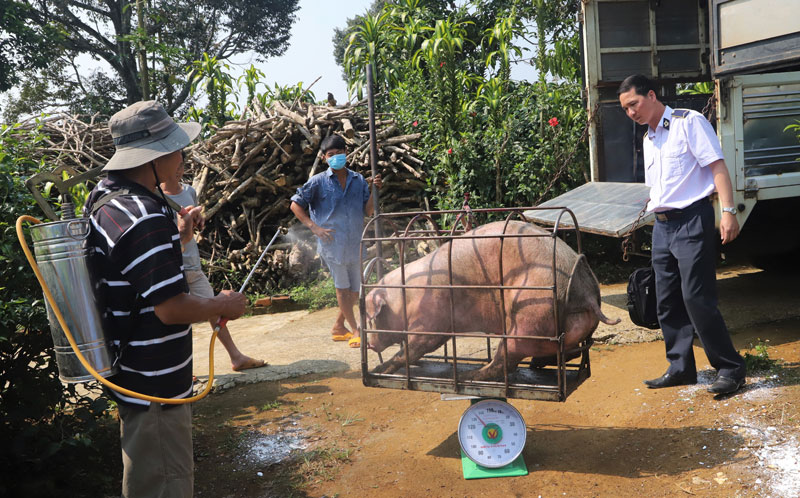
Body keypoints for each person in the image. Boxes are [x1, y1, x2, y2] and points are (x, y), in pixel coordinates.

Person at [85, 100, 248, 497]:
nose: (181, 157)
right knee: (165, 485)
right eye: (176, 148)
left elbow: (139, 276)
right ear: (154, 157)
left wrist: (180, 237)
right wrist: (223, 304)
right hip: (155, 389)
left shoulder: (108, 198)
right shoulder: (143, 215)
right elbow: (171, 307)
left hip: (135, 379)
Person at [618, 74, 747, 395]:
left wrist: (728, 212)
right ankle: (680, 367)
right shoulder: (649, 138)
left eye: (633, 104)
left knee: (697, 298)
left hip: (692, 219)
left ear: (650, 95)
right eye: (625, 109)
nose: (630, 112)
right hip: (662, 226)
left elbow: (717, 166)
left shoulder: (688, 122)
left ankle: (730, 367)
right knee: (666, 299)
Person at [161, 157, 266, 371]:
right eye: (176, 164)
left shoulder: (189, 191)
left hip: (192, 264)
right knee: (179, 320)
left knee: (213, 309)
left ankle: (236, 357)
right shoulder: (156, 198)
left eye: (182, 164)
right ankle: (181, 369)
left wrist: (198, 220)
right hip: (173, 267)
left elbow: (193, 222)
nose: (179, 169)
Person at [290, 134, 382, 349]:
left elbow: (367, 211)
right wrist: (314, 227)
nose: (336, 157)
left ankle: (339, 327)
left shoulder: (358, 180)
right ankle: (356, 329)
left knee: (355, 290)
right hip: (333, 244)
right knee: (342, 289)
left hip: (354, 242)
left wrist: (376, 190)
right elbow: (295, 204)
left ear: (346, 153)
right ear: (324, 158)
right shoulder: (318, 182)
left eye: (340, 153)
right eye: (331, 154)